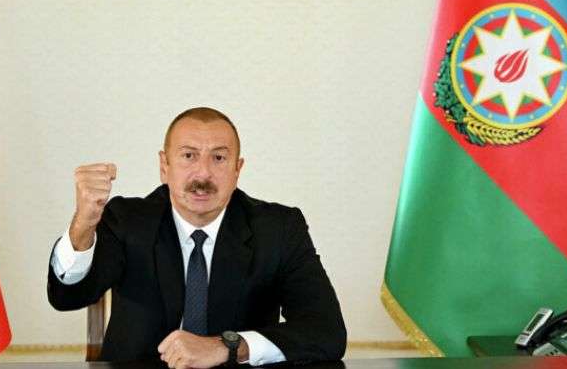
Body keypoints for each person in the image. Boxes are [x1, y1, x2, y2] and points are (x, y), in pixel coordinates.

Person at [47, 107, 346, 368]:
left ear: (238, 169)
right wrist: (83, 224)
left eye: (219, 158)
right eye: (189, 156)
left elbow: (326, 332)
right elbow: (67, 297)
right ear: (164, 166)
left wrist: (229, 347)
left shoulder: (279, 229)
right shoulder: (127, 220)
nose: (203, 174)